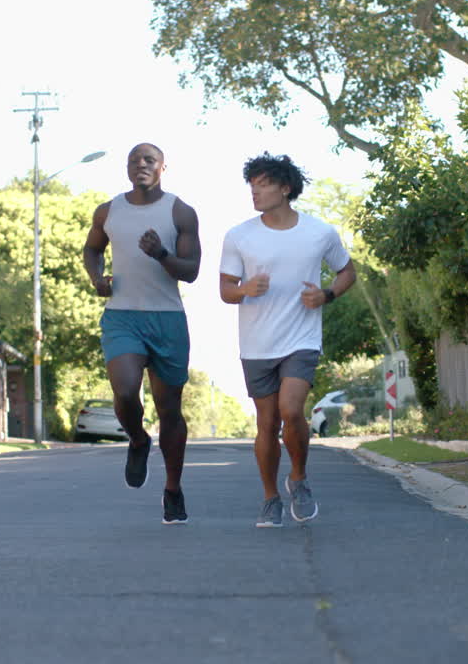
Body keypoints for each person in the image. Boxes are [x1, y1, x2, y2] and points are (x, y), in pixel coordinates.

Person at [219, 152, 356, 527]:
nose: (255, 191)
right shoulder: (239, 235)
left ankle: (298, 477)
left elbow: (347, 271)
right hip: (257, 343)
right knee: (266, 424)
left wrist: (327, 294)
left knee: (291, 410)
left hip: (302, 338)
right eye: (252, 185)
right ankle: (269, 497)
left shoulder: (319, 233)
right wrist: (245, 287)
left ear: (285, 188)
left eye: (263, 184)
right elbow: (225, 290)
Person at [83, 142, 201, 523]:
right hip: (122, 316)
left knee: (170, 410)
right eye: (134, 160)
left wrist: (161, 254)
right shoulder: (109, 210)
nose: (141, 165)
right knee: (125, 390)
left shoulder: (180, 211)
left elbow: (191, 270)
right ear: (127, 168)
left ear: (164, 167)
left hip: (167, 319)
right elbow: (92, 250)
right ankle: (137, 438)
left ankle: (173, 490)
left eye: (149, 160)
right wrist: (96, 277)